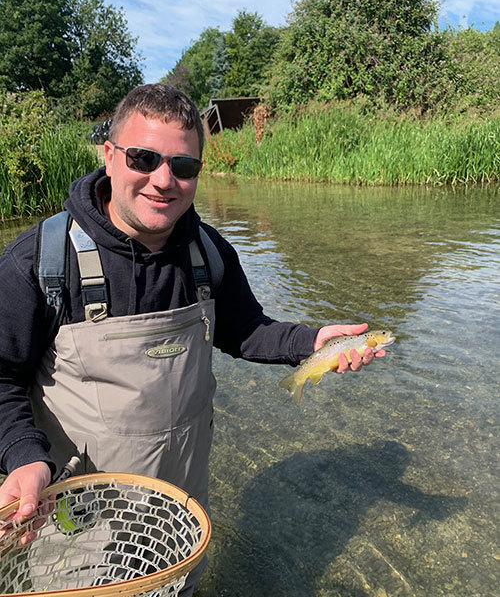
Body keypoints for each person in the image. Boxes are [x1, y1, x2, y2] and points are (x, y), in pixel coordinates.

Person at [0, 84, 386, 594]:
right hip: (77, 510)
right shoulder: (39, 261)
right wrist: (24, 456)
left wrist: (312, 342)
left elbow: (246, 330)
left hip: (180, 506)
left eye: (184, 167)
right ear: (109, 157)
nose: (164, 180)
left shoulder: (209, 251)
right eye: (144, 158)